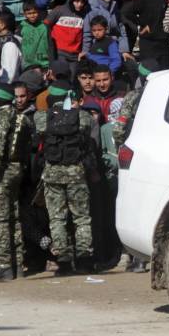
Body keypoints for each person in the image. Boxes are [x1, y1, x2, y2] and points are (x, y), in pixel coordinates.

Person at [36, 82, 101, 276]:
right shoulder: (83, 117)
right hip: (76, 173)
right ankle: (84, 260)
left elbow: (38, 133)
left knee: (57, 218)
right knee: (81, 218)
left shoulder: (41, 117)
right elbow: (89, 138)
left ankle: (63, 261)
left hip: (52, 173)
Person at [0, 82, 34, 281]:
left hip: (1, 173)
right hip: (17, 170)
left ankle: (4, 266)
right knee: (14, 217)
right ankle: (17, 264)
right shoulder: (21, 118)